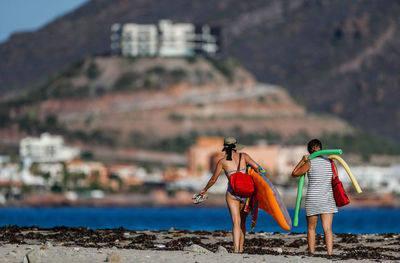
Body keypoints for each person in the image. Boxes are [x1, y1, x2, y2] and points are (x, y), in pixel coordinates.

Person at [198, 137, 260, 253]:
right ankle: (241, 248)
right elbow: (256, 167)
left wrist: (205, 190)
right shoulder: (244, 156)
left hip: (232, 194)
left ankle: (236, 250)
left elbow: (213, 179)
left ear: (225, 148)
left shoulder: (222, 161)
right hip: (246, 193)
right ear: (236, 146)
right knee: (243, 222)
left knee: (236, 222)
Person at [291, 139, 338, 255]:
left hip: (313, 199)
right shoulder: (330, 162)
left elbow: (294, 173)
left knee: (311, 228)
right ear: (321, 149)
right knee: (327, 229)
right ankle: (330, 253)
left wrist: (302, 160)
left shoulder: (309, 163)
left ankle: (311, 252)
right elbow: (335, 177)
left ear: (308, 150)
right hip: (327, 198)